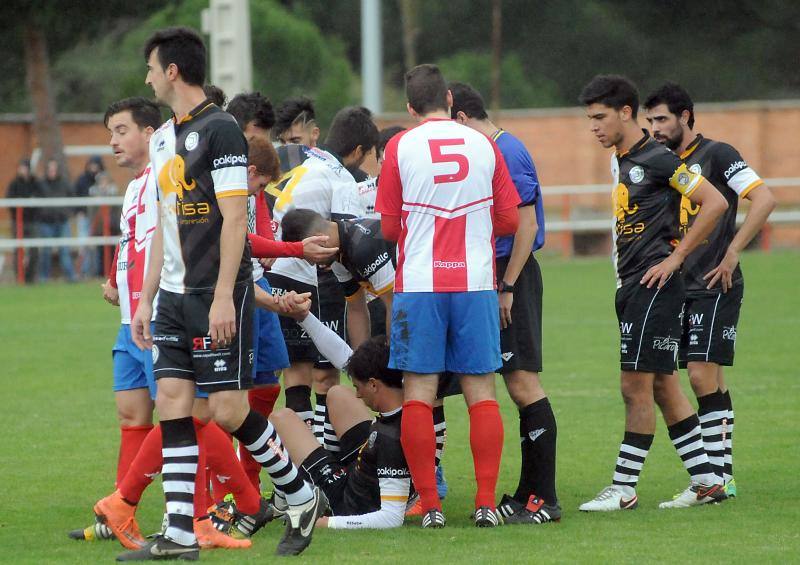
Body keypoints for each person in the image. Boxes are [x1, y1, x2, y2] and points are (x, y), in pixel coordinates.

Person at [116, 27, 325, 560]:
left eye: (151, 68)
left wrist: (224, 297)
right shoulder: (163, 138)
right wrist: (145, 299)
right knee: (174, 404)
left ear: (172, 71)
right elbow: (164, 225)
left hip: (215, 292)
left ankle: (301, 495)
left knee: (229, 411)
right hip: (171, 296)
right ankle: (179, 533)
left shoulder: (222, 130)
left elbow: (235, 220)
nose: (147, 78)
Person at [375, 63, 521, 528]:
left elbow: (389, 228)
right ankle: (485, 503)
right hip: (475, 282)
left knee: (419, 392)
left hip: (420, 283)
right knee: (482, 391)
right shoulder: (483, 144)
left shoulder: (399, 146)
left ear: (410, 108)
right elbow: (510, 221)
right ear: (450, 100)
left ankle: (431, 507)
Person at [576, 75, 729, 512]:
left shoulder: (658, 159)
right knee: (663, 385)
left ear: (625, 112)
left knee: (634, 386)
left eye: (600, 117)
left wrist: (676, 258)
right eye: (590, 119)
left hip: (654, 286)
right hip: (632, 285)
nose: (594, 127)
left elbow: (715, 203)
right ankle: (707, 481)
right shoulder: (623, 160)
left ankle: (623, 488)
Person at [643, 82, 776, 497]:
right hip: (678, 286)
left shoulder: (718, 154)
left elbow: (765, 199)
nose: (654, 128)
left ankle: (713, 480)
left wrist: (733, 251)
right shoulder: (663, 164)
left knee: (701, 374)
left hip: (715, 280)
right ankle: (722, 477)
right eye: (650, 121)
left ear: (685, 116)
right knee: (709, 378)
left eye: (661, 119)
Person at [449, 82, 559, 524]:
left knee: (523, 382)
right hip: (490, 275)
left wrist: (507, 285)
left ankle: (544, 498)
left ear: (460, 118)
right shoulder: (489, 150)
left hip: (512, 274)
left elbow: (526, 227)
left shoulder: (505, 151)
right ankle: (526, 492)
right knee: (511, 384)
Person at [266, 106, 376, 455]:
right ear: (358, 151)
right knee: (325, 377)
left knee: (295, 376)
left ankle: (303, 465)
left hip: (272, 268)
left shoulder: (302, 157)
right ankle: (325, 461)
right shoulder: (341, 176)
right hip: (311, 273)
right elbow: (347, 241)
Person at [270, 327, 411, 530]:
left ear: (373, 385)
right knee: (338, 393)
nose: (358, 395)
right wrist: (305, 319)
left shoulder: (390, 439)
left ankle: (288, 499)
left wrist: (327, 522)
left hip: (348, 503)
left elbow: (391, 518)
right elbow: (343, 356)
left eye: (358, 387)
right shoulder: (411, 408)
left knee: (280, 419)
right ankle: (327, 464)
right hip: (360, 473)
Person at [279, 208, 395, 344]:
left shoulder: (363, 249)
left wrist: (396, 354)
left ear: (320, 240)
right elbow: (356, 309)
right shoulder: (337, 251)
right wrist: (359, 357)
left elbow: (396, 306)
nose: (311, 263)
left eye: (307, 256)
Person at [38, 158, 76, 282]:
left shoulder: (64, 183)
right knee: (46, 251)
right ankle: (43, 278)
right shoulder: (41, 184)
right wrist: (42, 214)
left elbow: (73, 198)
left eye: (54, 169)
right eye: (50, 169)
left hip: (62, 221)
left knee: (65, 250)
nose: (52, 171)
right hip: (46, 222)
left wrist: (67, 213)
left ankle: (71, 277)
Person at [6, 158, 42, 283]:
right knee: (18, 250)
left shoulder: (35, 183)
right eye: (20, 168)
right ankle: (19, 277)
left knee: (34, 249)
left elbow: (41, 199)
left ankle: (31, 277)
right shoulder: (14, 184)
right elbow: (10, 201)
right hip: (18, 222)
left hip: (32, 221)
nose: (22, 170)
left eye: (24, 167)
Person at [73, 155, 104, 278]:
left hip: (98, 219)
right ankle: (84, 271)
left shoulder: (102, 179)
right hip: (85, 216)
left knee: (96, 245)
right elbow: (76, 196)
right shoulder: (82, 180)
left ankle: (96, 270)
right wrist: (79, 211)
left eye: (96, 165)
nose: (94, 167)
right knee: (84, 244)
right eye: (92, 164)